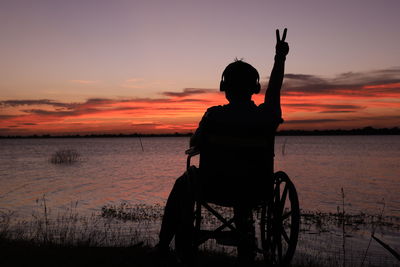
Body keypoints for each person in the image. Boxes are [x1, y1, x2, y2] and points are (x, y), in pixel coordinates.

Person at [156, 28, 289, 266]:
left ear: (224, 87)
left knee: (183, 183)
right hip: (254, 187)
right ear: (254, 88)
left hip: (213, 185)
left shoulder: (214, 116)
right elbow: (274, 92)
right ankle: (245, 250)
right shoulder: (266, 116)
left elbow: (195, 144)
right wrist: (280, 59)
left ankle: (163, 246)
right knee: (243, 192)